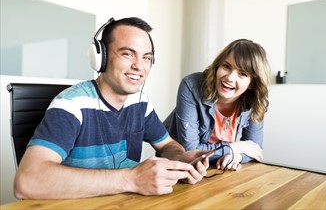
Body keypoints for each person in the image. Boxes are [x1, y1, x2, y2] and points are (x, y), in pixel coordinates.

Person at [14, 17, 210, 200]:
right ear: (102, 57)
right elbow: (27, 181)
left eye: (146, 58)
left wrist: (181, 159)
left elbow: (167, 145)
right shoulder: (71, 105)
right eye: (127, 54)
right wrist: (132, 179)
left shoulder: (140, 103)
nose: (139, 66)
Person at [164, 39, 271, 171]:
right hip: (178, 168)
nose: (230, 78)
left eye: (242, 74)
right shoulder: (191, 85)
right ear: (217, 66)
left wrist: (237, 157)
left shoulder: (255, 101)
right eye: (226, 66)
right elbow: (191, 150)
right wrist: (236, 148)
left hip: (217, 169)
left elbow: (255, 149)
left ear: (252, 83)